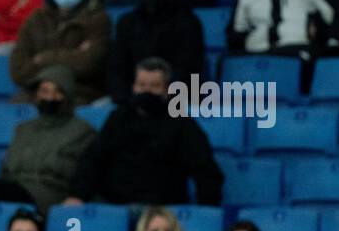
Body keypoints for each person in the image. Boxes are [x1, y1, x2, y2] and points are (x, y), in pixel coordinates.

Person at [68, 57, 223, 207]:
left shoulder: (181, 123)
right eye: (141, 85)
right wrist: (78, 195)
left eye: (154, 86)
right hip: (114, 203)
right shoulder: (119, 118)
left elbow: (205, 170)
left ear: (167, 90)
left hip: (160, 209)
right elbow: (94, 158)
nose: (146, 91)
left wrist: (206, 209)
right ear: (133, 87)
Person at [0, 65, 96, 210]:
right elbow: (6, 169)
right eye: (45, 91)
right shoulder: (23, 129)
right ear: (36, 94)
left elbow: (83, 176)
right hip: (15, 189)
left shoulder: (83, 131)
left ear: (68, 96)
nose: (50, 98)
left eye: (57, 92)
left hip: (50, 195)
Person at [9, 0, 109, 103]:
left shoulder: (98, 19)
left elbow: (88, 65)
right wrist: (72, 56)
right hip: (37, 91)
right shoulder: (35, 19)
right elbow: (18, 70)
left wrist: (42, 59)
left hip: (79, 93)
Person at [108, 0, 205, 102]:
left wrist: (165, 95)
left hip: (177, 101)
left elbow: (190, 68)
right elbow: (118, 66)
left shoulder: (188, 22)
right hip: (133, 99)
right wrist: (126, 98)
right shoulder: (127, 23)